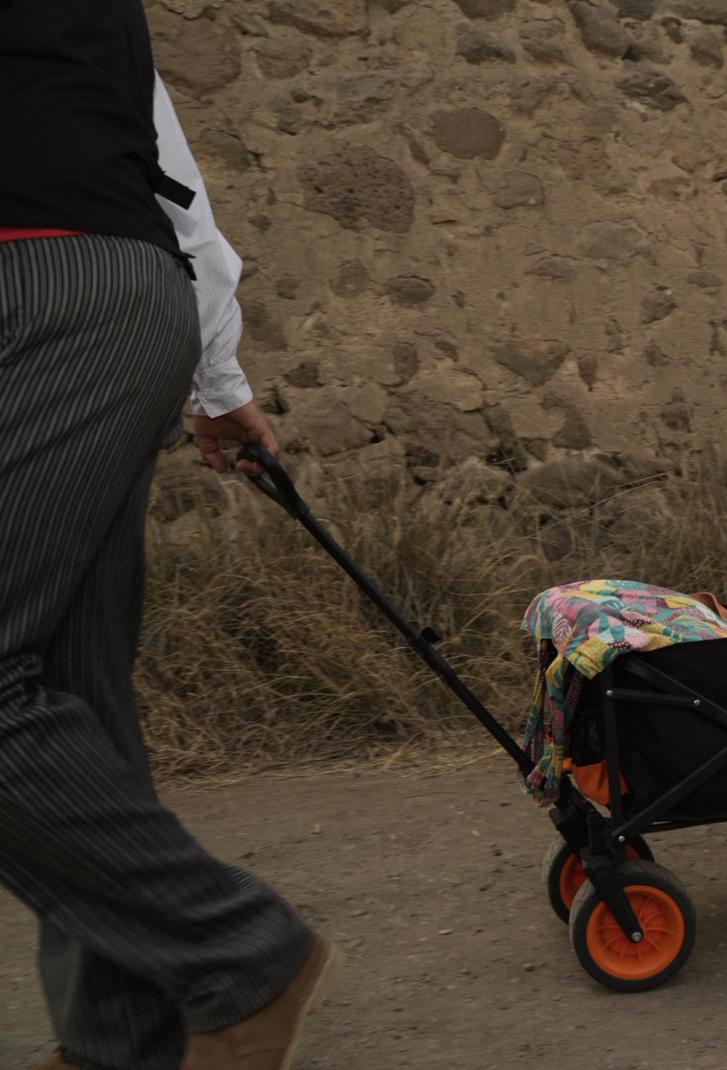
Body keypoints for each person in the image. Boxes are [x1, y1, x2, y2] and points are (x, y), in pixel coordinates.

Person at [2, 6, 335, 1068]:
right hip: (118, 295)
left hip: (48, 298)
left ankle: (238, 955)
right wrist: (215, 374)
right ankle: (120, 1038)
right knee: (72, 687)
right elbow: (162, 153)